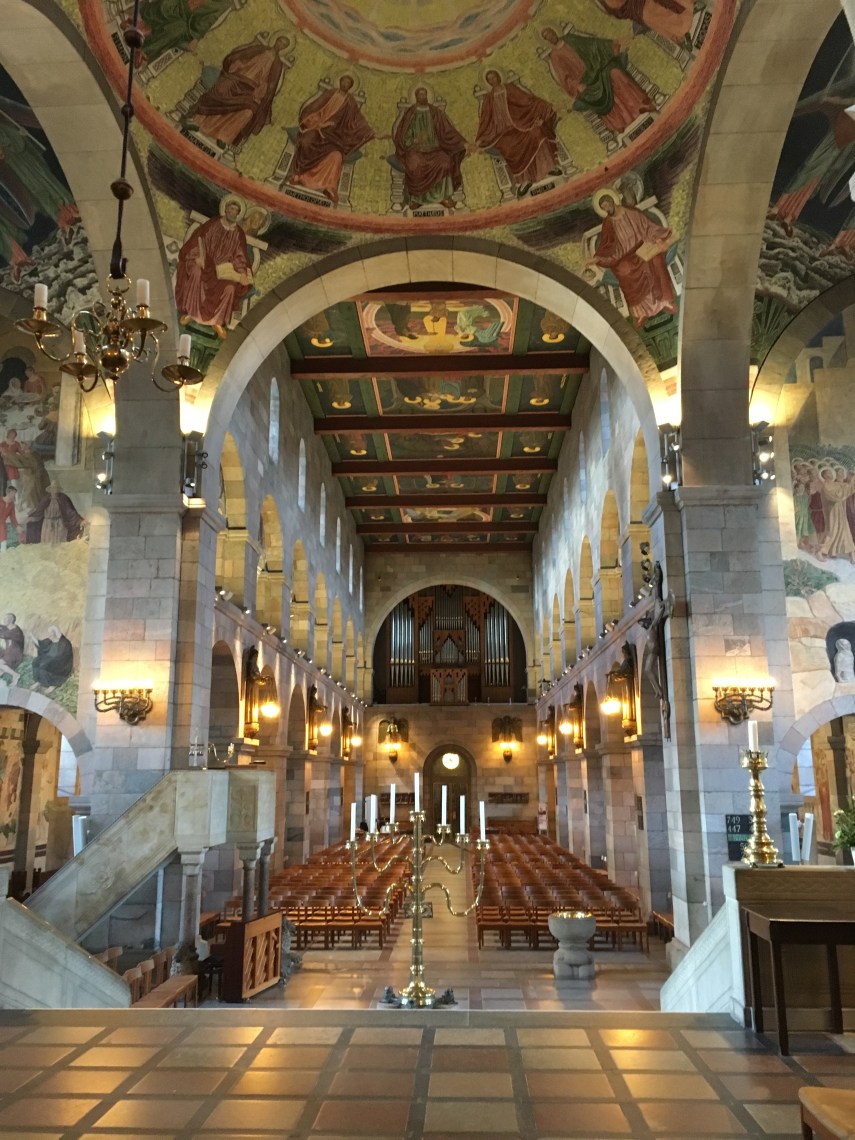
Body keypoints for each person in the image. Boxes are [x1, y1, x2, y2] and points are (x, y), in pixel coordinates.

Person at [541, 26, 655, 134]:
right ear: (547, 41)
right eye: (547, 36)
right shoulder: (555, 56)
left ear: (555, 31)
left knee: (615, 73)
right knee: (595, 95)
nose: (551, 36)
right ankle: (622, 122)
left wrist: (612, 45)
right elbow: (565, 78)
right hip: (585, 81)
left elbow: (592, 44)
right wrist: (577, 86)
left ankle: (640, 105)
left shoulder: (570, 38)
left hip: (597, 68)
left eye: (551, 33)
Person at [587, 189, 676, 327]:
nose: (607, 208)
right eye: (603, 207)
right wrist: (598, 258)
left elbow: (647, 227)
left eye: (607, 204)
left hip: (642, 247)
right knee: (625, 272)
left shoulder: (631, 212)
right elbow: (607, 246)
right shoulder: (608, 224)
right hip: (624, 256)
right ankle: (641, 313)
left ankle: (665, 301)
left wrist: (657, 239)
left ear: (613, 201)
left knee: (656, 260)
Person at [188, 36, 291, 149]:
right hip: (237, 78)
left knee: (249, 111)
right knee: (222, 89)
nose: (280, 45)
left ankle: (223, 137)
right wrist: (237, 66)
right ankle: (198, 122)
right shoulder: (259, 49)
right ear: (276, 40)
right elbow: (241, 57)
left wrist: (259, 92)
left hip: (251, 90)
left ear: (284, 48)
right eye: (280, 41)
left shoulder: (277, 64)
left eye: (283, 44)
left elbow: (270, 84)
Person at [288, 76, 375, 204]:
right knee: (307, 142)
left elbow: (357, 122)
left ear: (351, 86)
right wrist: (320, 123)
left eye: (348, 83)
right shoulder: (329, 94)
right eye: (344, 81)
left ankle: (329, 187)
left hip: (334, 136)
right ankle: (299, 175)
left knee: (337, 156)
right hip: (316, 128)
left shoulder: (350, 102)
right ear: (339, 82)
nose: (345, 84)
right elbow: (314, 108)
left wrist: (371, 133)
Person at [175, 196, 252, 338]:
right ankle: (192, 313)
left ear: (238, 214)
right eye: (231, 209)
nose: (233, 212)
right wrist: (198, 257)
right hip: (205, 263)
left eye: (236, 211)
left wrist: (242, 273)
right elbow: (198, 240)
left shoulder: (239, 233)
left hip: (223, 271)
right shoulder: (213, 223)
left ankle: (217, 321)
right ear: (225, 210)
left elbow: (240, 257)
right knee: (196, 272)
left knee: (230, 288)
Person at [475, 70, 560, 197]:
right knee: (508, 147)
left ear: (499, 77)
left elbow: (528, 101)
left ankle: (548, 168)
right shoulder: (488, 99)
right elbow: (485, 119)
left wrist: (546, 107)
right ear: (488, 82)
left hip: (521, 124)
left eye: (494, 77)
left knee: (536, 132)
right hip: (502, 133)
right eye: (489, 79)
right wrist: (480, 138)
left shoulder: (510, 88)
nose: (493, 80)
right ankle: (525, 180)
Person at [393, 87, 467, 210]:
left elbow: (447, 130)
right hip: (415, 150)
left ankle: (443, 197)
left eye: (424, 94)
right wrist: (414, 140)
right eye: (420, 94)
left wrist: (462, 143)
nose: (423, 96)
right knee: (415, 165)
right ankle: (416, 198)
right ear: (416, 96)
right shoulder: (411, 113)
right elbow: (403, 134)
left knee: (445, 162)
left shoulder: (435, 112)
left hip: (435, 149)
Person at [138, 0, 235, 64]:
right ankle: (146, 26)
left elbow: (209, 19)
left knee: (178, 29)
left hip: (188, 20)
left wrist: (196, 37)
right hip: (179, 2)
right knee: (166, 5)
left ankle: (144, 51)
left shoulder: (225, 2)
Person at [594, 0, 695, 46]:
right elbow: (616, 5)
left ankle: (692, 9)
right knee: (649, 10)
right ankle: (686, 29)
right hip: (636, 6)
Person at [30, 625, 73, 693]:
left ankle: (53, 684)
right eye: (48, 633)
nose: (48, 635)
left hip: (60, 663)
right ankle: (39, 681)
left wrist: (51, 659)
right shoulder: (49, 641)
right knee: (36, 662)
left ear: (55, 633)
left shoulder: (64, 643)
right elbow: (40, 644)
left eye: (50, 633)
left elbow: (64, 656)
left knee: (44, 664)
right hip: (48, 659)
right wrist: (32, 636)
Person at [0, 612, 24, 685]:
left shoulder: (16, 631)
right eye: (4, 618)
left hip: (15, 653)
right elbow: (3, 627)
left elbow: (4, 635)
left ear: (11, 620)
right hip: (9, 651)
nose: (4, 620)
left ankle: (15, 675)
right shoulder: (9, 627)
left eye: (6, 618)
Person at [0, 487, 19, 552]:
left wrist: (17, 526)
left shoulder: (11, 504)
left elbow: (13, 517)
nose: (14, 495)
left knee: (3, 544)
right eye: (13, 493)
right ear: (8, 493)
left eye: (15, 493)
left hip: (2, 525)